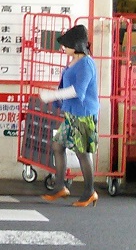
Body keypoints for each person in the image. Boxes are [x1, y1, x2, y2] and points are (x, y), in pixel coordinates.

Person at [40, 23, 99, 207]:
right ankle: (60, 186)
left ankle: (90, 191)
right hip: (72, 114)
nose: (63, 47)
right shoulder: (75, 62)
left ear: (76, 45)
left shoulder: (86, 64)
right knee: (58, 145)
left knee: (82, 153)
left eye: (66, 44)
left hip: (83, 114)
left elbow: (78, 91)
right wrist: (56, 95)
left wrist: (53, 95)